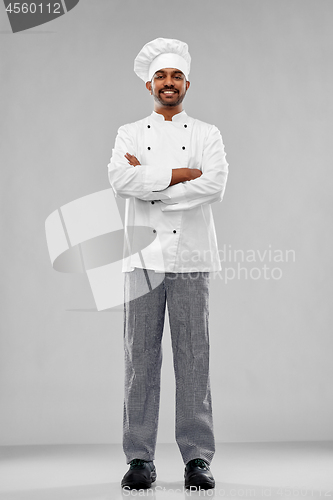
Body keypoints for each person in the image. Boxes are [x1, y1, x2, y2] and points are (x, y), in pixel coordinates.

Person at [107, 37, 228, 491]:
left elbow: (215, 184)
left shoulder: (207, 133)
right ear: (149, 85)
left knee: (194, 357)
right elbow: (120, 178)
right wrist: (182, 175)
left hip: (192, 257)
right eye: (161, 76)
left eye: (176, 76)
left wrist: (150, 185)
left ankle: (197, 457)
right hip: (141, 259)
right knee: (140, 358)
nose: (169, 83)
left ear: (187, 83)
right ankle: (139, 457)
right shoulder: (129, 133)